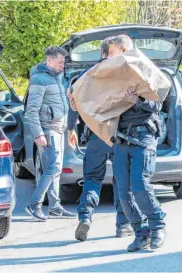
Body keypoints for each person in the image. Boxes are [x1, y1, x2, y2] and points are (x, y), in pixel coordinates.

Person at [67, 35, 136, 242]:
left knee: (92, 179)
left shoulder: (86, 75)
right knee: (121, 180)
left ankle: (86, 216)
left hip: (97, 135)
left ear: (102, 52)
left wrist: (71, 129)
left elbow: (74, 102)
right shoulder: (125, 72)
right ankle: (123, 225)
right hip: (120, 134)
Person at [111, 36, 167, 252]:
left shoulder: (143, 70)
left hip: (143, 135)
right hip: (120, 138)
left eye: (113, 52)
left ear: (124, 50)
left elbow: (157, 103)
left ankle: (157, 225)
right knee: (123, 192)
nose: (109, 57)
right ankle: (140, 232)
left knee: (140, 185)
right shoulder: (112, 75)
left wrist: (137, 100)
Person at [25, 46, 77, 221]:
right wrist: (38, 134)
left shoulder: (58, 78)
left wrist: (70, 128)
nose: (63, 65)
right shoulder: (39, 79)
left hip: (59, 128)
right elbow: (31, 111)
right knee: (53, 168)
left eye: (63, 62)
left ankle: (55, 207)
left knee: (55, 169)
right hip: (47, 130)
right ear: (49, 60)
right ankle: (34, 205)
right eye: (60, 62)